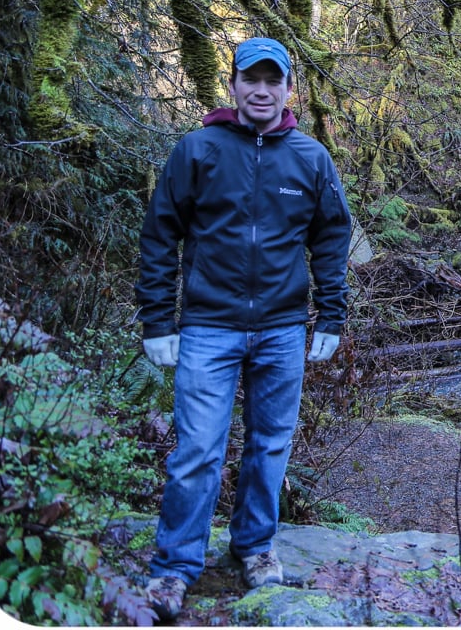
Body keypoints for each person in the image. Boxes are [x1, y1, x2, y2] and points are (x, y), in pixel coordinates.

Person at [135, 37, 352, 620]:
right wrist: (158, 319)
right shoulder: (198, 150)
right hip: (208, 327)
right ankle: (175, 566)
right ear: (232, 85)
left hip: (282, 329)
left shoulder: (310, 159)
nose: (261, 90)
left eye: (272, 80)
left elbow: (332, 238)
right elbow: (160, 236)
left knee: (269, 446)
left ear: (288, 90)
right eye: (250, 79)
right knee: (198, 449)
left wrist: (331, 314)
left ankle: (255, 547)